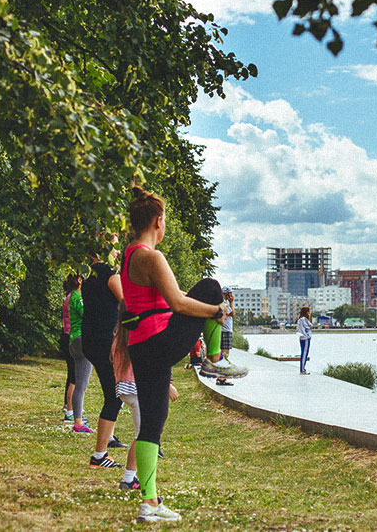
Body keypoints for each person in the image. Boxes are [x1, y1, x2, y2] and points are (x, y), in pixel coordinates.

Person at [120, 185, 245, 523]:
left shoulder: (129, 255)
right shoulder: (151, 256)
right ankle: (215, 358)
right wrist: (216, 311)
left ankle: (150, 502)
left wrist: (206, 312)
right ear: (158, 221)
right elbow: (177, 301)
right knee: (211, 288)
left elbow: (159, 302)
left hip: (141, 348)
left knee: (152, 424)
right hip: (158, 341)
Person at [111, 319, 178, 490]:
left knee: (143, 434)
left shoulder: (119, 335)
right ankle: (129, 478)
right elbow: (146, 364)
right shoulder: (136, 336)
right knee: (144, 435)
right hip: (137, 389)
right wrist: (166, 384)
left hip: (124, 388)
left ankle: (133, 476)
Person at [81, 245, 128, 467]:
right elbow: (127, 304)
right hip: (106, 342)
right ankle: (99, 455)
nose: (118, 252)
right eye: (115, 248)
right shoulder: (109, 274)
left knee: (115, 394)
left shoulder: (88, 274)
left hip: (91, 340)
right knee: (115, 395)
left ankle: (107, 443)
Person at [67, 274, 95, 433]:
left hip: (74, 340)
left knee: (79, 384)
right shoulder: (78, 296)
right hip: (82, 339)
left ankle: (77, 419)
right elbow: (87, 314)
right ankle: (78, 422)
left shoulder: (72, 295)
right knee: (81, 385)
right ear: (78, 280)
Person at [59, 276, 77, 423]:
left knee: (73, 373)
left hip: (67, 337)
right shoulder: (74, 298)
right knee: (74, 376)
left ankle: (69, 405)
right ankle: (70, 409)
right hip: (71, 337)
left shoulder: (69, 296)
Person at [220, 286, 235, 361]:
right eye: (230, 293)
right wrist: (231, 302)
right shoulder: (225, 303)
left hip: (224, 329)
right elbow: (232, 313)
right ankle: (223, 365)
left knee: (223, 351)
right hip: (225, 330)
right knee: (225, 351)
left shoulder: (222, 302)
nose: (232, 295)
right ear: (226, 294)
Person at [297, 306, 312, 375]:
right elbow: (307, 327)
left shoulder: (300, 319)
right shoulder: (303, 319)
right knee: (304, 354)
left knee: (304, 353)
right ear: (306, 312)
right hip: (305, 338)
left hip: (302, 338)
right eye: (308, 311)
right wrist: (307, 336)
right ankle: (302, 370)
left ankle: (303, 369)